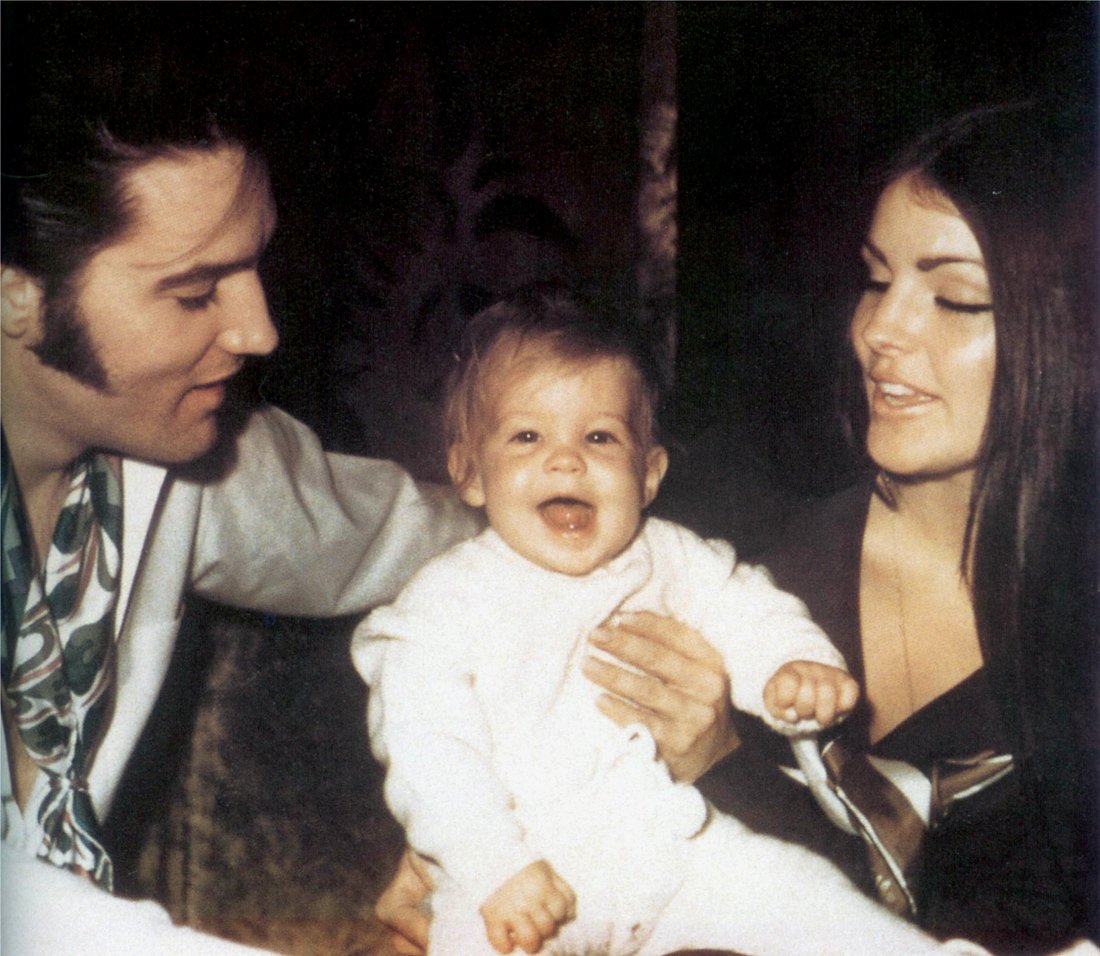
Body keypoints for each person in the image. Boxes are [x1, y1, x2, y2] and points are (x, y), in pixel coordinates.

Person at [376, 102, 1099, 956]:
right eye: (875, 280)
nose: (879, 332)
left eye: (955, 297)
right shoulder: (715, 529)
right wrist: (460, 854)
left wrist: (724, 761)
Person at [0, 42, 487, 955]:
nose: (259, 329)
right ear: (17, 296)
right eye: (194, 293)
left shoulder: (176, 457)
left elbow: (419, 533)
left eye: (255, 264)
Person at [353, 289, 993, 956]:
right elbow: (428, 750)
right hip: (521, 875)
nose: (566, 459)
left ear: (649, 473)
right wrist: (490, 863)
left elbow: (746, 608)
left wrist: (792, 668)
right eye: (526, 436)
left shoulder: (671, 557)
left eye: (599, 436)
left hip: (675, 852)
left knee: (799, 890)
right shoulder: (444, 604)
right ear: (468, 471)